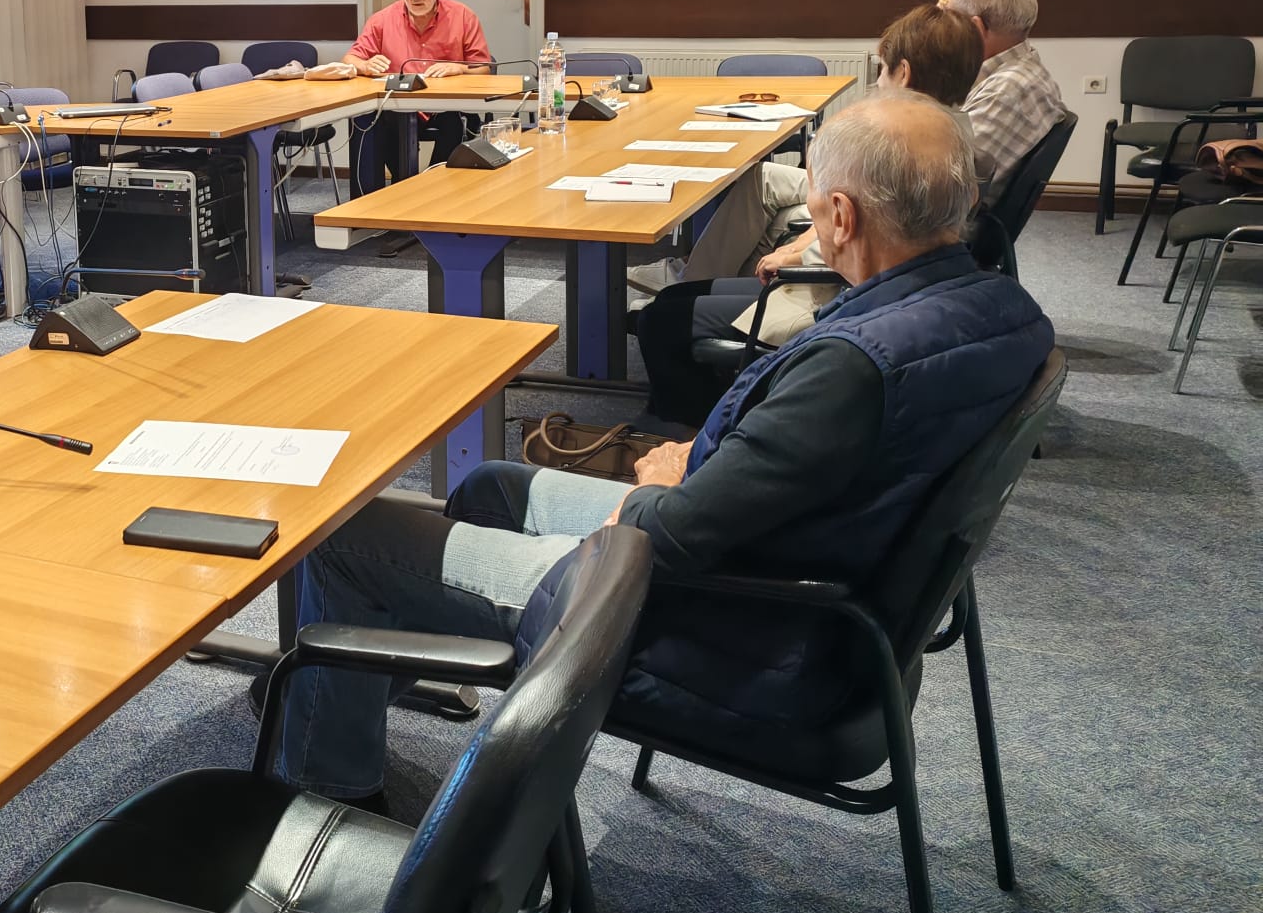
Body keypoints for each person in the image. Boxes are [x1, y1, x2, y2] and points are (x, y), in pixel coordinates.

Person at [269, 91, 1054, 806]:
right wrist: (696, 470)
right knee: (492, 491)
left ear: (842, 218)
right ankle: (351, 678)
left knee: (345, 538)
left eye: (814, 207)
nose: (811, 223)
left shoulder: (852, 372)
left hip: (721, 634)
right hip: (807, 599)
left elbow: (667, 538)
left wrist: (667, 479)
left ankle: (324, 790)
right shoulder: (1006, 312)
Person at [637, 5, 986, 423]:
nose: (878, 82)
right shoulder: (952, 135)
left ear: (904, 73)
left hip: (825, 297)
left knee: (659, 321)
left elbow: (856, 239)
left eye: (882, 71)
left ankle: (694, 426)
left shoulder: (895, 144)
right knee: (673, 300)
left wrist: (795, 254)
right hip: (852, 290)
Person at [345, 0, 493, 192]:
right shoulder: (382, 20)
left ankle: (433, 186)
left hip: (446, 108)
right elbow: (350, 59)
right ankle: (403, 188)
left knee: (453, 124)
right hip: (397, 108)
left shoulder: (462, 16)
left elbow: (484, 68)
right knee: (371, 122)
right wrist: (365, 65)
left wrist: (459, 68)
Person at [935, 0, 1070, 199]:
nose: (943, 31)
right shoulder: (1019, 71)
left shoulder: (1006, 92)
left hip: (944, 215)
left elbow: (941, 186)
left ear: (975, 29)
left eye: (949, 21)